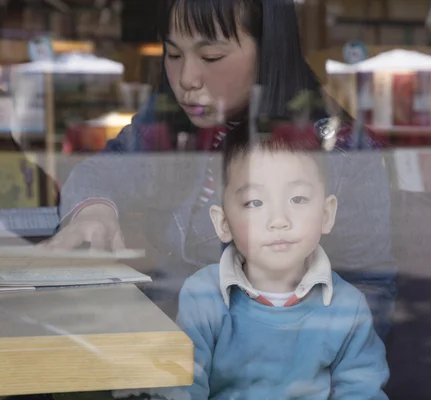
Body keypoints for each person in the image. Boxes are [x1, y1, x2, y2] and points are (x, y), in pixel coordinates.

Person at [47, 0, 396, 339]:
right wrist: (94, 210)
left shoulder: (339, 152)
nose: (186, 78)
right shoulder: (170, 119)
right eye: (173, 54)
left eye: (211, 57)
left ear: (269, 49)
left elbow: (370, 298)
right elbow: (103, 170)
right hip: (166, 347)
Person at [168, 126, 389, 399]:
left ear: (326, 213)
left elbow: (362, 392)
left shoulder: (347, 306)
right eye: (254, 202)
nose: (279, 220)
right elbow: (183, 388)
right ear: (223, 223)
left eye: (297, 199)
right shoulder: (203, 296)